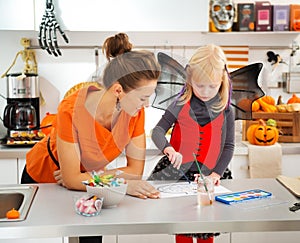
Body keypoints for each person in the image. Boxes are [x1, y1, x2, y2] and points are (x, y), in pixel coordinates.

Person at [21, 33, 161, 243]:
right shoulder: (72, 109)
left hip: (90, 183)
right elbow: (71, 179)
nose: (147, 104)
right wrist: (115, 182)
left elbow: (135, 172)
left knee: (91, 240)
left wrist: (91, 176)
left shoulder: (134, 113)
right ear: (118, 90)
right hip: (43, 181)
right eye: (143, 97)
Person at [151, 44, 235, 243]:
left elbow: (229, 146)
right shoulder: (180, 103)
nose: (205, 92)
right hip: (179, 175)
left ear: (222, 81)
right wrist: (168, 148)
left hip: (211, 175)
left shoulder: (227, 110)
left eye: (212, 86)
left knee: (207, 226)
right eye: (199, 85)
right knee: (183, 226)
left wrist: (215, 175)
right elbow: (158, 131)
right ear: (189, 79)